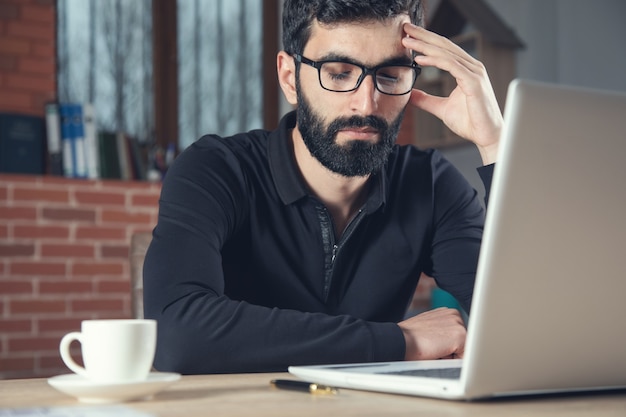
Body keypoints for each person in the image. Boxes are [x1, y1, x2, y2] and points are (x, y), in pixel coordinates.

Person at [143, 0, 503, 374]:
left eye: (391, 75)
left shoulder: (430, 184)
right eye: (338, 73)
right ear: (289, 78)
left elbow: (524, 321)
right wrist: (400, 341)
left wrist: (494, 144)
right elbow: (174, 333)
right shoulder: (216, 169)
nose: (366, 104)